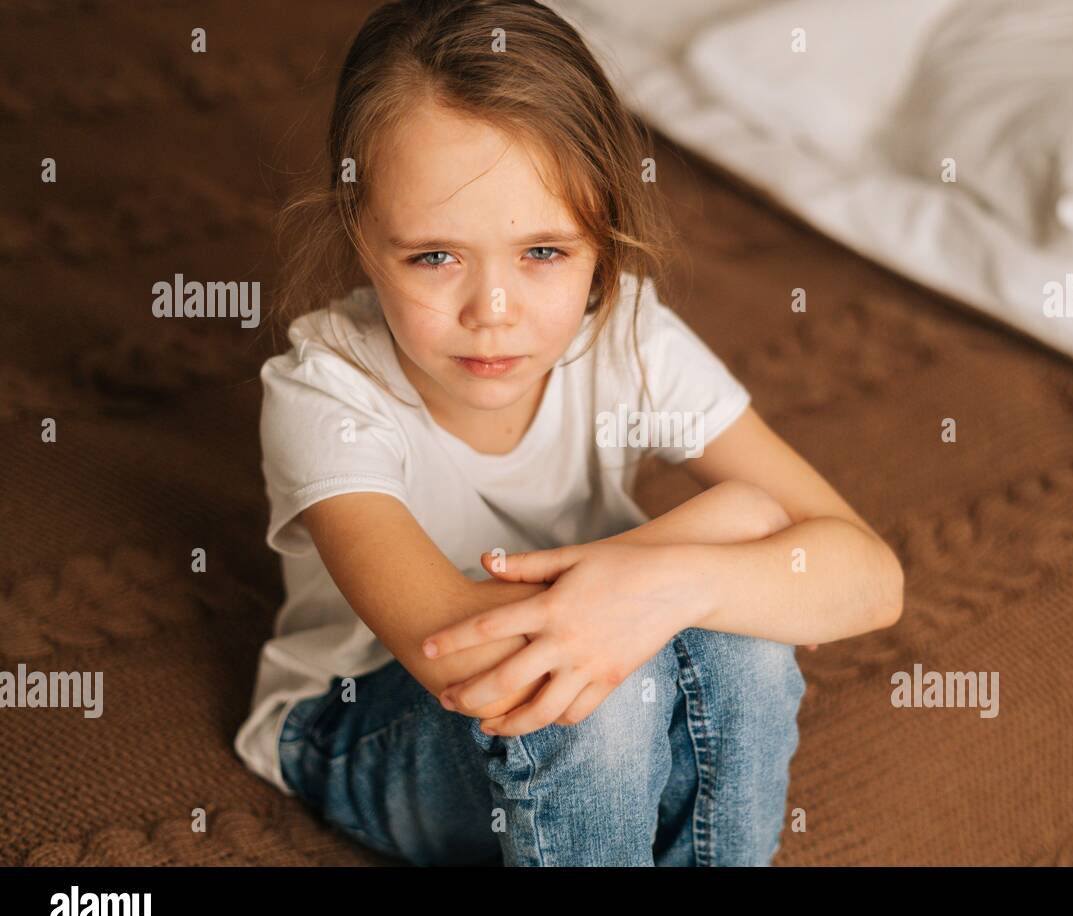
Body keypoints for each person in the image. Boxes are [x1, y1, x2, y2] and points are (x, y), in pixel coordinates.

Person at [235, 0, 904, 866]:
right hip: (360, 726)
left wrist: (679, 584)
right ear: (361, 234)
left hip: (603, 687)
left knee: (739, 636)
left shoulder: (629, 335)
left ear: (603, 239)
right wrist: (720, 528)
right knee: (610, 685)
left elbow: (870, 577)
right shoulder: (324, 388)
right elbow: (457, 657)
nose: (494, 314)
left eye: (544, 253)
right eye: (435, 256)